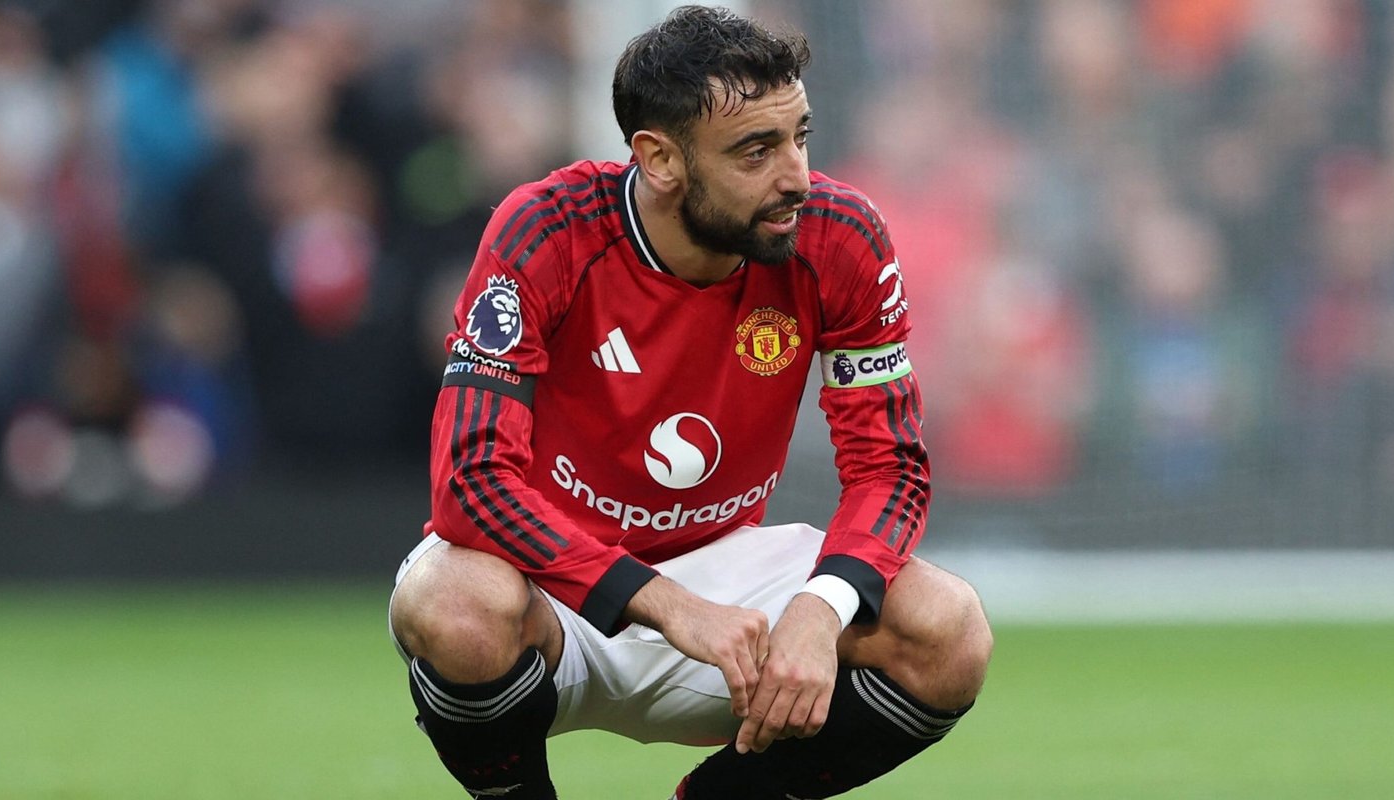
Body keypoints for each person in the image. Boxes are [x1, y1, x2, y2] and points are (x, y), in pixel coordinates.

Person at [387, 6, 993, 798]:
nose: (796, 176)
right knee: (454, 603)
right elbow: (470, 482)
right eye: (756, 151)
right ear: (660, 158)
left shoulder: (838, 235)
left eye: (800, 138)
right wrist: (668, 606)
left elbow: (890, 468)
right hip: (553, 590)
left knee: (949, 629)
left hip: (724, 583)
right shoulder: (548, 229)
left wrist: (820, 608)